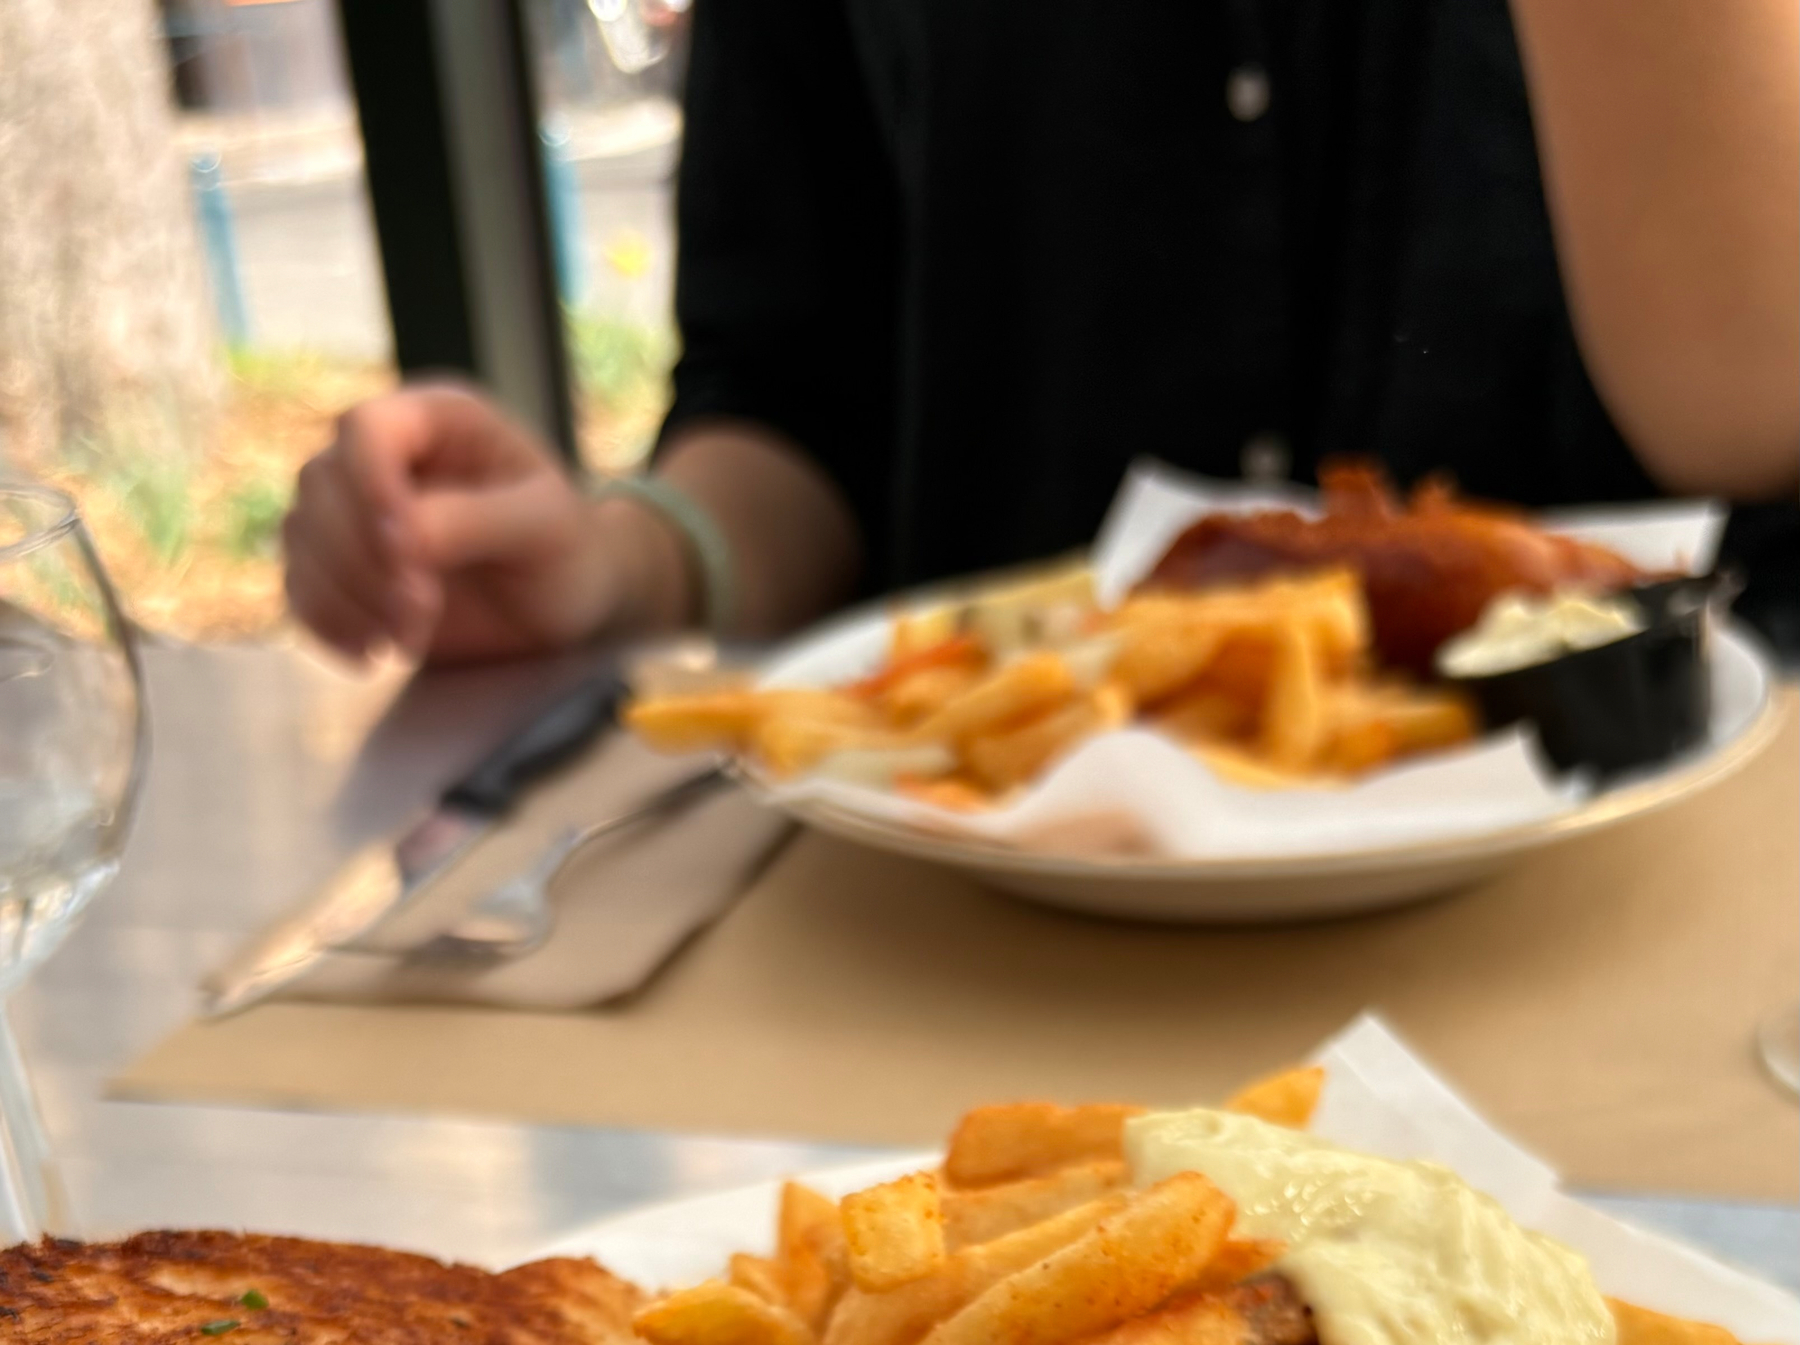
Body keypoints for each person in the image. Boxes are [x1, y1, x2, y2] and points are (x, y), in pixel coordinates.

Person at [283, 0, 1799, 669]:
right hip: (992, 952)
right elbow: (800, 394)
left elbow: (1759, 409)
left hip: (1661, 891)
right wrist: (625, 563)